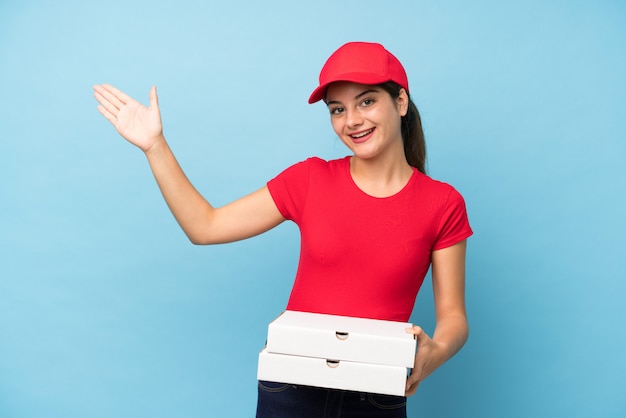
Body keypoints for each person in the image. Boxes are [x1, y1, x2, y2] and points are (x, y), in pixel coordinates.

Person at [94, 41, 472, 418]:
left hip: (377, 391)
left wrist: (435, 353)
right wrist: (154, 145)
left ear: (401, 102)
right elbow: (204, 226)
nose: (351, 120)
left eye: (367, 101)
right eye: (337, 109)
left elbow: (454, 317)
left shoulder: (442, 204)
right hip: (291, 385)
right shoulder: (309, 180)